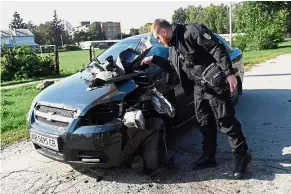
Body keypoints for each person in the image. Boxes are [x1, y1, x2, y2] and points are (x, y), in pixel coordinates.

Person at [141, 19, 251, 179]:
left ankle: (242, 156)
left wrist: (229, 73)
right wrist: (154, 60)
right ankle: (209, 157)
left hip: (215, 85)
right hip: (199, 88)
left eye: (158, 38)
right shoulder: (172, 49)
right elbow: (173, 68)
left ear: (163, 32)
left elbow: (216, 48)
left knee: (226, 121)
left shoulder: (191, 31)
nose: (159, 41)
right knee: (204, 122)